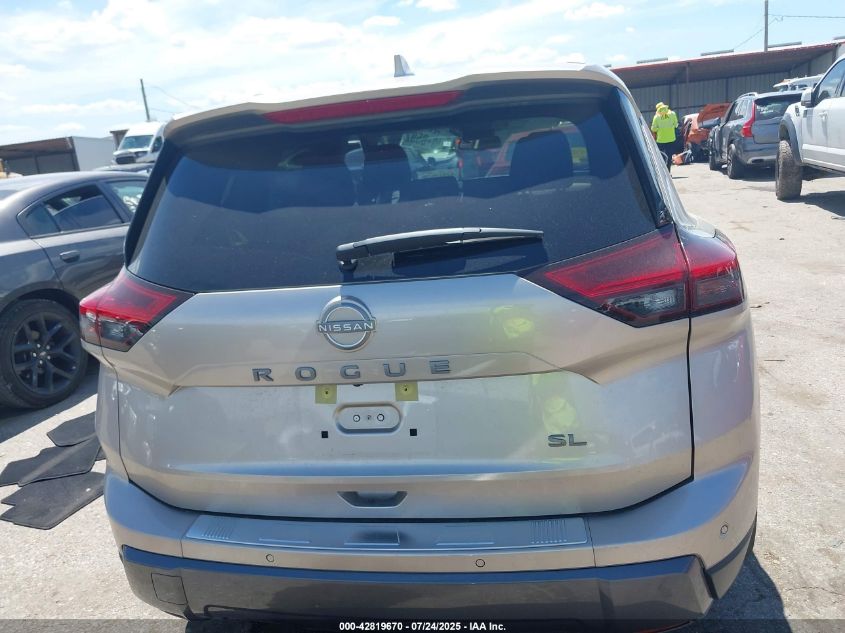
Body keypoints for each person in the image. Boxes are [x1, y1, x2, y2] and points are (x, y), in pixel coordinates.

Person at [651, 102, 678, 171]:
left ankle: (661, 171)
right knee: (669, 156)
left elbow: (653, 129)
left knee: (660, 156)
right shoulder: (672, 114)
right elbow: (676, 125)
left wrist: (659, 128)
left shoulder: (656, 117)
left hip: (660, 140)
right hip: (671, 139)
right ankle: (668, 171)